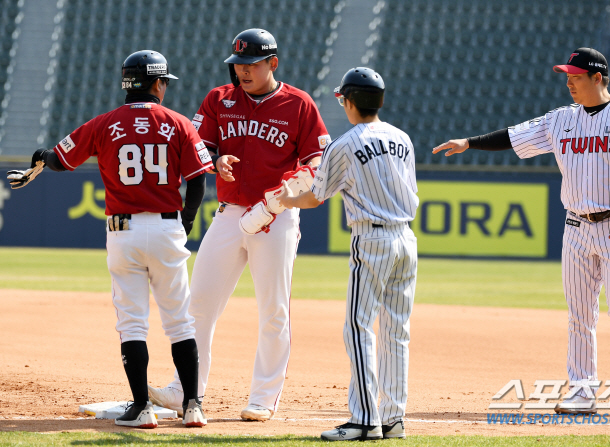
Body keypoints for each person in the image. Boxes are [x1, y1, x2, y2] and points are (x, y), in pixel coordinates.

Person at [433, 48, 610, 414]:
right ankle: (581, 390)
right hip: (575, 226)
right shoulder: (560, 120)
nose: (569, 83)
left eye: (576, 77)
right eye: (567, 76)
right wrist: (470, 142)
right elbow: (514, 136)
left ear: (598, 78)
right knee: (580, 315)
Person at [6, 50, 212, 428]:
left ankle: (141, 408)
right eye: (164, 80)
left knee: (133, 322)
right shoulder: (179, 123)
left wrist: (41, 156)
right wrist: (186, 219)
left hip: (123, 232)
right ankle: (194, 405)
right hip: (167, 228)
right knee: (180, 323)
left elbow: (59, 160)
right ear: (156, 83)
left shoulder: (105, 124)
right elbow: (199, 177)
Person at [147, 28, 330, 421]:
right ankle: (184, 390)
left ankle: (263, 397)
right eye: (238, 64)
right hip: (230, 214)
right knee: (199, 304)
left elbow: (318, 158)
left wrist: (299, 179)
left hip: (276, 216)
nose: (242, 71)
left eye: (250, 65)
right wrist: (214, 162)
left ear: (272, 63)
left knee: (273, 310)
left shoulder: (299, 104)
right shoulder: (219, 99)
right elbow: (199, 146)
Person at [278, 67, 418, 441]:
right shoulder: (403, 138)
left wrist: (287, 201)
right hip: (406, 238)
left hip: (372, 240)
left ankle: (364, 420)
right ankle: (392, 419)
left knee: (358, 327)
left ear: (349, 101)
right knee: (396, 331)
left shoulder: (344, 144)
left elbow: (315, 196)